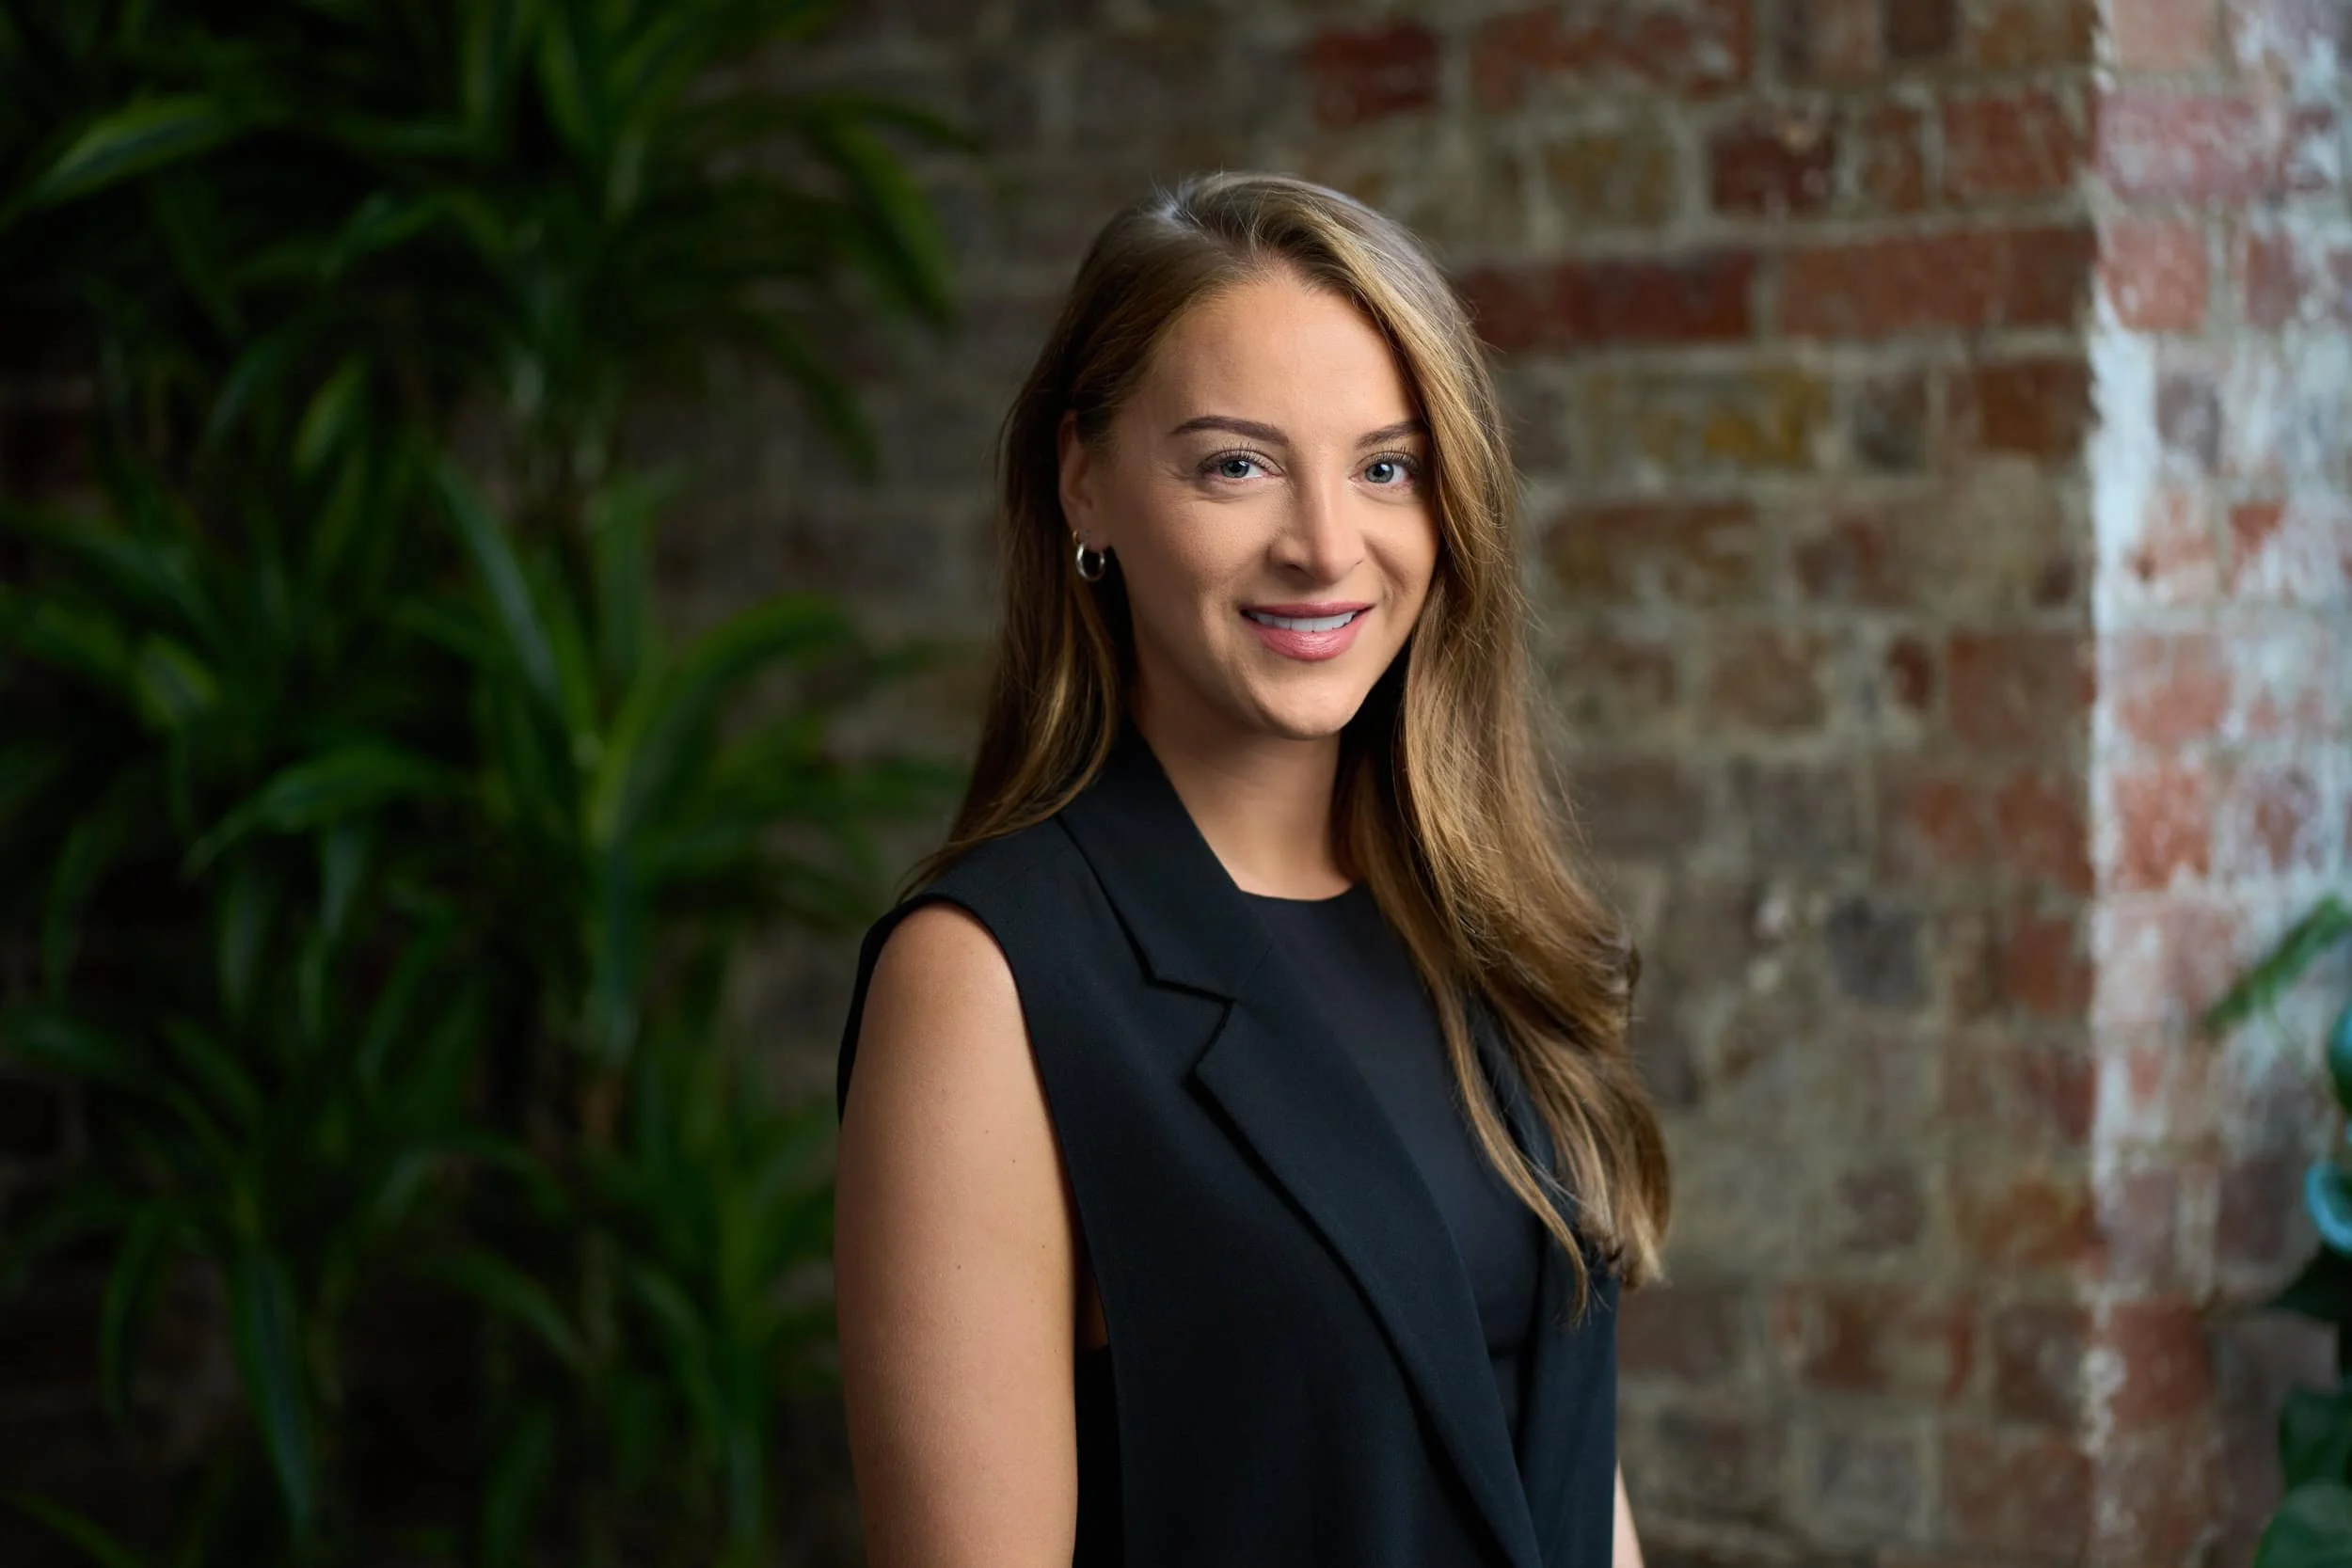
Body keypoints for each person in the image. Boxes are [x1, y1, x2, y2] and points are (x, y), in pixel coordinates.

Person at [831, 170, 1671, 1568]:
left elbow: (1560, 1474)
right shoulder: (988, 981)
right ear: (1084, 480)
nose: (1328, 547)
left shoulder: (1475, 922)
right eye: (1236, 463)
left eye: (1386, 466)